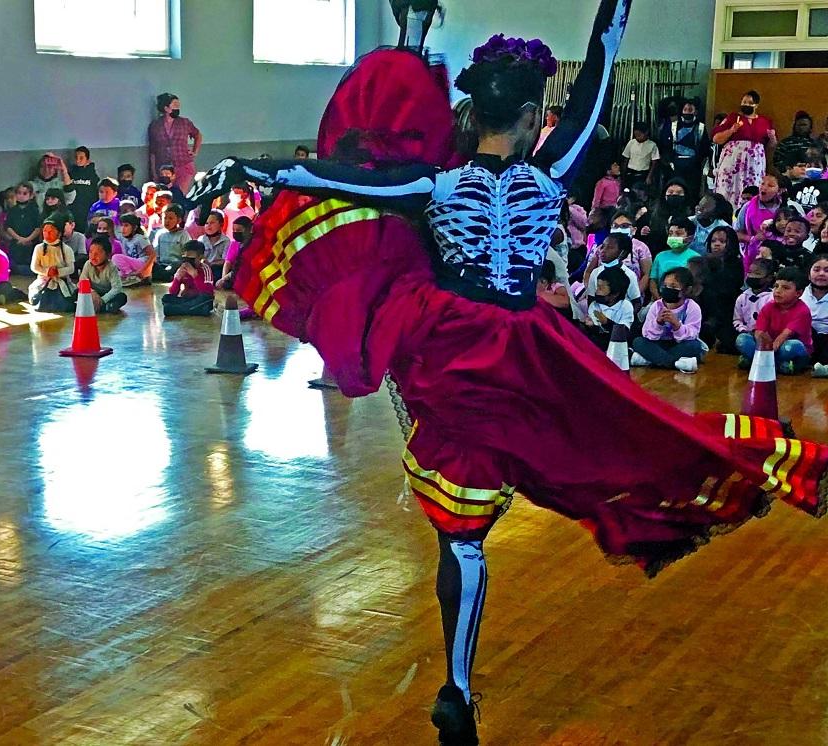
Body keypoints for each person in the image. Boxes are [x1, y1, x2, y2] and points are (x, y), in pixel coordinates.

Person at [191, 2, 828, 741]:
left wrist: (247, 166)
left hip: (451, 344)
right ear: (530, 116)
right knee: (623, 429)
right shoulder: (551, 174)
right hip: (526, 345)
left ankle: (458, 684)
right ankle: (774, 460)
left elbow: (329, 176)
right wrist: (611, 16)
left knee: (461, 529)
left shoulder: (436, 184)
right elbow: (596, 83)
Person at [737, 266, 812, 374]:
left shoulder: (802, 310)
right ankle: (776, 365)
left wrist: (765, 353)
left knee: (791, 346)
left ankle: (757, 362)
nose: (778, 291)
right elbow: (759, 332)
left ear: (798, 293)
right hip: (770, 347)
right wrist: (762, 345)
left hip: (785, 347)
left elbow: (784, 336)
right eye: (776, 286)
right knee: (742, 339)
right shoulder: (769, 306)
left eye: (785, 288)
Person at [712, 90, 776, 210]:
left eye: (749, 102)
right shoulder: (732, 118)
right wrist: (731, 130)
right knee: (729, 189)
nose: (746, 104)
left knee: (752, 189)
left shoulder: (765, 121)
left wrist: (772, 138)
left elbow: (771, 146)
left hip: (754, 164)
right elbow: (716, 139)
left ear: (756, 105)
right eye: (744, 101)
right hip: (733, 162)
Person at [632, 267, 704, 372]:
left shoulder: (692, 307)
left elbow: (693, 334)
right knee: (638, 342)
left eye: (673, 286)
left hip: (679, 345)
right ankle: (675, 363)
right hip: (658, 344)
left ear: (687, 290)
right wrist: (658, 323)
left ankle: (652, 360)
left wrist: (677, 325)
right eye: (665, 286)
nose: (668, 289)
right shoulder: (657, 305)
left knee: (695, 346)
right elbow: (647, 334)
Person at [148, 93, 201, 192]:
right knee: (164, 193)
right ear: (166, 108)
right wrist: (153, 171)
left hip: (183, 164)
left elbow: (197, 134)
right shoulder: (155, 125)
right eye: (175, 105)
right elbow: (153, 150)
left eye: (178, 105)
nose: (178, 108)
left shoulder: (184, 122)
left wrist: (195, 151)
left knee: (179, 193)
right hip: (164, 167)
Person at [657, 100, 710, 197]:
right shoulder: (672, 126)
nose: (688, 112)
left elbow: (705, 148)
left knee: (692, 192)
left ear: (695, 111)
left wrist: (698, 162)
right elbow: (664, 145)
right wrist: (668, 162)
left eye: (690, 109)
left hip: (693, 167)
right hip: (674, 166)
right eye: (685, 109)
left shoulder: (701, 127)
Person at [29, 211, 77, 312]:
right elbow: (34, 267)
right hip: (44, 281)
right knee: (40, 302)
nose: (47, 234)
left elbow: (71, 268)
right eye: (45, 231)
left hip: (60, 281)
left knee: (62, 304)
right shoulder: (39, 248)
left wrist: (58, 272)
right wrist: (47, 272)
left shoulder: (66, 249)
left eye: (51, 231)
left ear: (59, 233)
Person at [648, 218, 700, 302]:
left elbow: (696, 285)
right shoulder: (660, 256)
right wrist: (659, 301)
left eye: (678, 234)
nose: (673, 237)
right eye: (670, 233)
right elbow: (653, 281)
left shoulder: (696, 258)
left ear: (690, 238)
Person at [584, 262, 633, 347]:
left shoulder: (626, 306)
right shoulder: (595, 305)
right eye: (597, 287)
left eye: (601, 288)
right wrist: (592, 327)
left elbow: (624, 332)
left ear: (615, 294)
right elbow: (598, 332)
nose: (596, 292)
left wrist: (606, 322)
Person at [161, 241, 215, 317]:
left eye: (191, 259)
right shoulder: (182, 268)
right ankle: (193, 310)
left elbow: (208, 291)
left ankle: (178, 310)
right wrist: (178, 279)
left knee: (206, 298)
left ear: (200, 257)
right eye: (185, 258)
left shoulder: (205, 268)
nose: (187, 261)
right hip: (187, 300)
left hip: (200, 300)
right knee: (166, 298)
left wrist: (195, 275)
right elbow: (173, 292)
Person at [79, 236, 127, 314]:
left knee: (122, 297)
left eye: (97, 253)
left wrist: (102, 300)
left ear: (107, 255)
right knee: (76, 293)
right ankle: (103, 308)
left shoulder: (111, 267)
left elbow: (117, 288)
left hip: (106, 295)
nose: (93, 257)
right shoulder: (88, 264)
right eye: (91, 252)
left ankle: (101, 307)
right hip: (92, 294)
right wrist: (92, 293)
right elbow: (82, 282)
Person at [3, 182, 41, 274]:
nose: (21, 196)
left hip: (31, 243)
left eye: (25, 193)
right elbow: (8, 227)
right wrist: (19, 238)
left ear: (31, 195)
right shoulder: (12, 210)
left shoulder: (34, 210)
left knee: (29, 267)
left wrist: (27, 239)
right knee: (14, 266)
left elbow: (38, 227)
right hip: (16, 242)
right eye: (19, 193)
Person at [733, 257, 774, 341]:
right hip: (748, 335)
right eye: (750, 272)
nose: (752, 276)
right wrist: (743, 330)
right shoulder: (743, 297)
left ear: (769, 277)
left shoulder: (773, 298)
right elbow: (737, 320)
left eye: (757, 274)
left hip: (769, 337)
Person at [736, 173, 784, 243]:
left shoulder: (787, 207)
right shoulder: (748, 207)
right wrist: (752, 238)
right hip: (754, 251)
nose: (764, 188)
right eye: (762, 184)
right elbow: (737, 234)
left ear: (779, 191)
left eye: (770, 185)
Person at [112, 213, 155, 284]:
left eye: (126, 225)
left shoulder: (139, 238)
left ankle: (132, 277)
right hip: (134, 267)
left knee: (115, 257)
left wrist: (142, 271)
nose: (123, 228)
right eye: (122, 225)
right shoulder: (124, 239)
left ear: (135, 227)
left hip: (142, 265)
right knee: (115, 275)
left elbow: (152, 255)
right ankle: (133, 277)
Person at [803, 255, 828, 374]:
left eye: (827, 270)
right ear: (809, 274)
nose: (822, 274)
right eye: (816, 270)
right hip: (807, 337)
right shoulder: (799, 294)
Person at [151, 203, 187, 281]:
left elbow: (186, 254)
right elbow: (155, 252)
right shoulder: (160, 233)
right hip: (161, 264)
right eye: (165, 218)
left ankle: (166, 276)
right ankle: (165, 276)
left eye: (170, 218)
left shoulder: (183, 235)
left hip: (175, 264)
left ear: (179, 220)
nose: (167, 221)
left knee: (174, 266)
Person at [217, 215, 253, 291]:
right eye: (234, 230)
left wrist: (226, 278)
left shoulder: (253, 244)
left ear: (250, 230)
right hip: (234, 274)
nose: (236, 232)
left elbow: (243, 266)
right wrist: (223, 279)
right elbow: (228, 262)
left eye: (239, 230)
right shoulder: (234, 244)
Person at [69, 146, 99, 233]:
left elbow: (96, 193)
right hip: (74, 210)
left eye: (81, 158)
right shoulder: (71, 174)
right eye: (76, 158)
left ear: (87, 159)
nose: (78, 160)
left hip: (88, 210)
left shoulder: (93, 175)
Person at [621, 121, 659, 188]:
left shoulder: (652, 145)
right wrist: (623, 175)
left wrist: (649, 177)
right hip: (630, 172)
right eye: (636, 136)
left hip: (643, 174)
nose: (637, 138)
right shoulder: (631, 143)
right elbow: (626, 159)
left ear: (646, 132)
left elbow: (654, 163)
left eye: (639, 135)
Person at [199, 209, 231, 279]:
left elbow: (225, 260)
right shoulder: (201, 239)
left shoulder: (226, 241)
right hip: (202, 267)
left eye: (212, 223)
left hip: (217, 268)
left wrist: (211, 264)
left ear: (221, 224)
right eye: (206, 223)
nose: (209, 225)